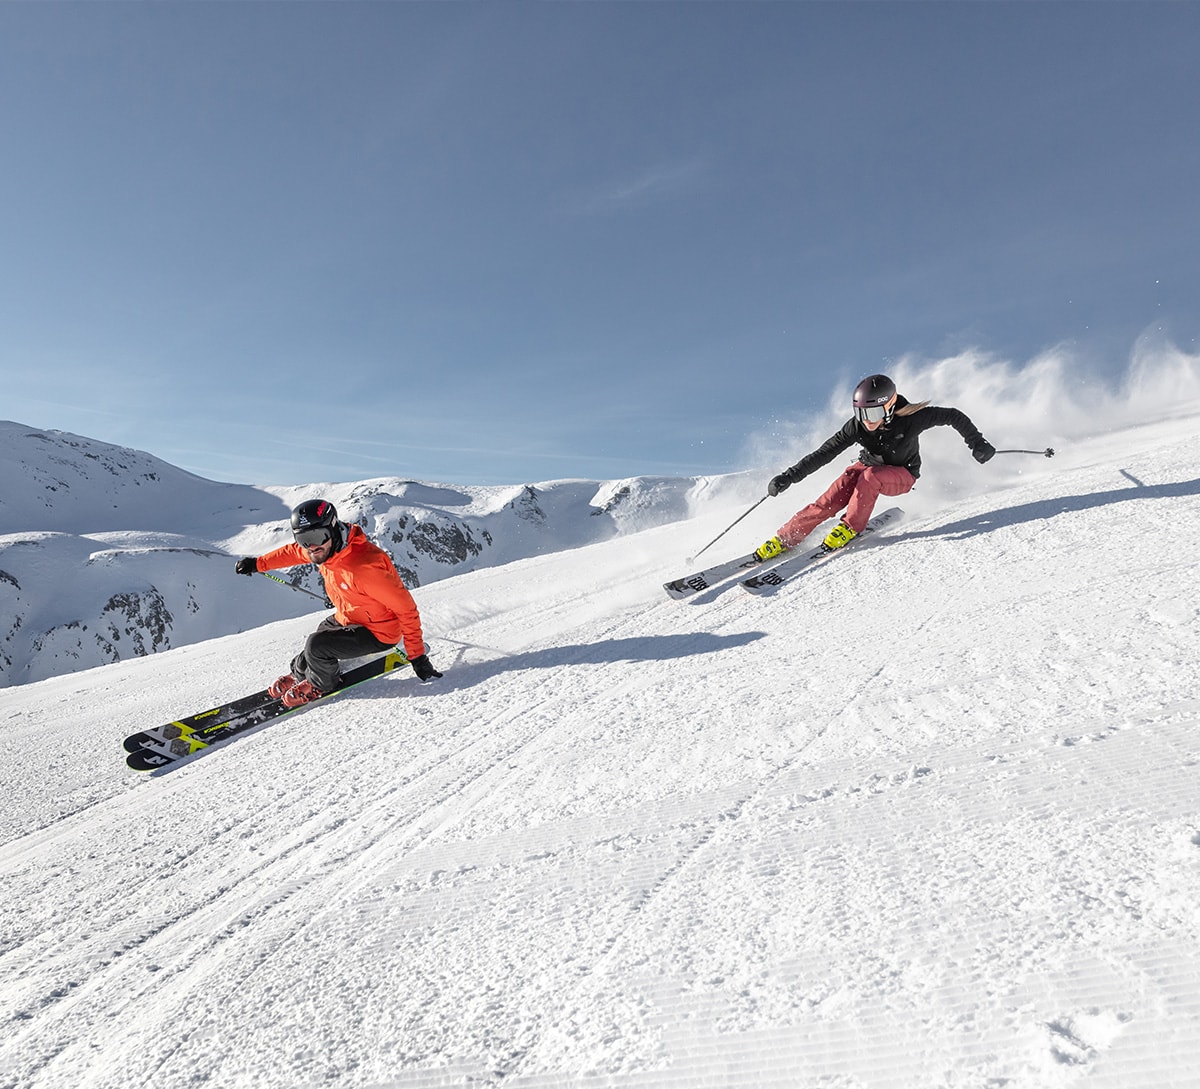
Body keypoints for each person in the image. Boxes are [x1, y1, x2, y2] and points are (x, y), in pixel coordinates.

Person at [755, 374, 996, 559]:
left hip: (903, 474)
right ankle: (786, 538)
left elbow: (953, 416)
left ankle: (850, 528)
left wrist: (977, 443)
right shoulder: (857, 426)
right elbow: (825, 453)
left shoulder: (913, 419)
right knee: (830, 500)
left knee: (870, 477)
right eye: (862, 413)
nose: (868, 420)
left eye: (874, 412)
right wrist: (789, 476)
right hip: (867, 467)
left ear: (889, 407)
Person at [235, 499, 442, 707]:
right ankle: (300, 673)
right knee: (318, 637)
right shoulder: (325, 550)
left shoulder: (364, 567)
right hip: (350, 617)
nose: (311, 547)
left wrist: (417, 657)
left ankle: (321, 684)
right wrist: (257, 564)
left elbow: (406, 609)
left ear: (333, 529)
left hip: (380, 632)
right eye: (304, 539)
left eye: (316, 537)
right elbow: (291, 552)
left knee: (317, 646)